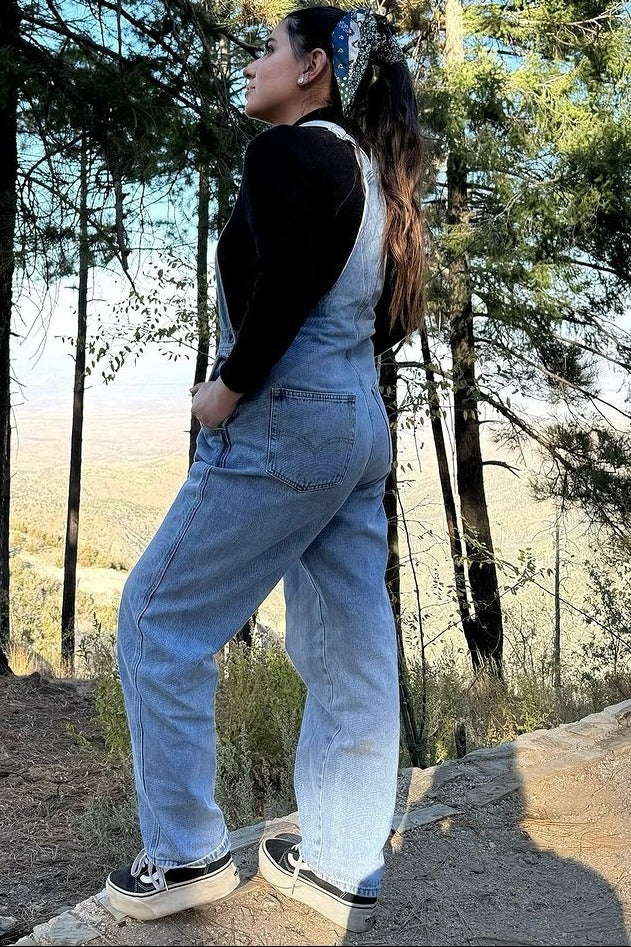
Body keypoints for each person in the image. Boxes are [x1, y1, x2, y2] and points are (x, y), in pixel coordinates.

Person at [104, 6, 426, 935]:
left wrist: (228, 387)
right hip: (355, 424)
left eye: (267, 49)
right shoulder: (369, 171)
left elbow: (282, 280)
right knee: (349, 642)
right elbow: (377, 315)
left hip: (285, 420)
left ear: (313, 66)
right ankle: (339, 862)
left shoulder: (287, 152)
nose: (250, 64)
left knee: (158, 616)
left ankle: (185, 854)